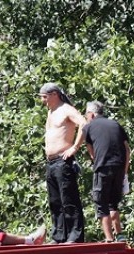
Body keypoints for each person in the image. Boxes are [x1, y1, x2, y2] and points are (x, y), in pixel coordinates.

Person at [39, 83, 87, 244]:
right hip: (51, 163)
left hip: (63, 160)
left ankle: (74, 237)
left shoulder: (66, 109)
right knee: (55, 201)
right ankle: (59, 236)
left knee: (69, 200)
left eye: (44, 97)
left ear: (54, 94)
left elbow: (84, 123)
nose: (42, 100)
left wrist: (75, 147)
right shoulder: (51, 112)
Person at [81, 101, 131, 242]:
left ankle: (109, 239)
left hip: (103, 166)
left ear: (91, 114)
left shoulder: (89, 126)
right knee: (113, 203)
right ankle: (120, 236)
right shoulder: (116, 124)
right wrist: (124, 172)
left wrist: (98, 162)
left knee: (101, 202)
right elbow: (127, 149)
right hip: (119, 167)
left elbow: (92, 153)